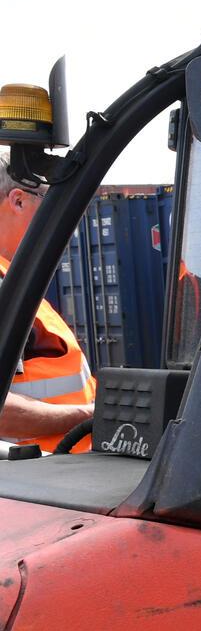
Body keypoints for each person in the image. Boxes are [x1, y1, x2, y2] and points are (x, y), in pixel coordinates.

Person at [0, 160, 95, 452]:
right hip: (33, 483)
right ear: (18, 201)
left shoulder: (13, 280)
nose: (64, 221)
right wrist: (93, 416)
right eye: (52, 204)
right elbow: (3, 412)